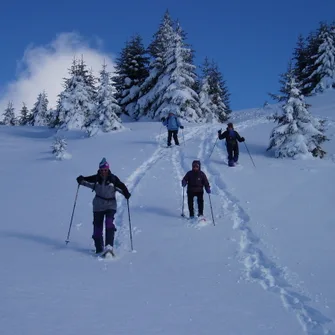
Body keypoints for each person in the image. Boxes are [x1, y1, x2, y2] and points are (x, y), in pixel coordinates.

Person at [76, 158, 131, 254]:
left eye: (105, 170)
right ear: (99, 169)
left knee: (109, 223)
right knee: (97, 228)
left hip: (110, 205)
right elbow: (87, 180)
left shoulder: (113, 179)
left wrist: (126, 193)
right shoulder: (96, 178)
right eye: (102, 170)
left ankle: (109, 247)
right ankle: (99, 249)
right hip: (98, 206)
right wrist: (81, 180)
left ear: (108, 169)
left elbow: (121, 186)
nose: (103, 171)